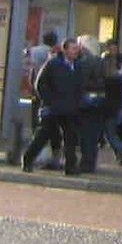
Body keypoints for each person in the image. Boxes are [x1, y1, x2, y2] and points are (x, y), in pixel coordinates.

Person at [21, 35, 84, 175]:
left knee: (70, 138)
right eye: (73, 49)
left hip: (70, 109)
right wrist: (49, 101)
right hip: (53, 108)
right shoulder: (53, 64)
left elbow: (79, 86)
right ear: (65, 50)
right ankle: (27, 159)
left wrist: (78, 102)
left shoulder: (78, 66)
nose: (76, 51)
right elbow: (40, 84)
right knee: (43, 135)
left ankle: (70, 166)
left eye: (77, 49)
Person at [77, 39, 111, 172]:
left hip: (87, 102)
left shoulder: (85, 62)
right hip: (100, 101)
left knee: (86, 134)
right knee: (94, 134)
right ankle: (90, 162)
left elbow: (81, 82)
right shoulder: (102, 62)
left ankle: (86, 163)